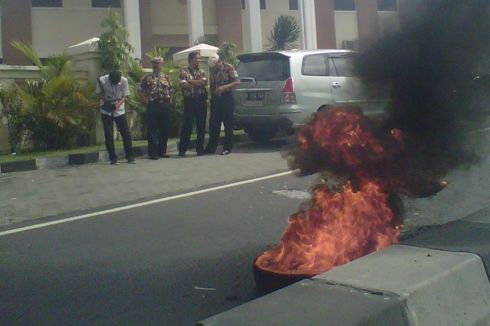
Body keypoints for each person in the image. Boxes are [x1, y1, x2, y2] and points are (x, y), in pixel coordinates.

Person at [96, 70, 135, 165]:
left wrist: (118, 104)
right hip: (106, 110)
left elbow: (125, 96)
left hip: (119, 109)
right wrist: (106, 100)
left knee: (126, 133)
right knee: (109, 134)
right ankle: (113, 158)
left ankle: (130, 156)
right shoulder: (102, 81)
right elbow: (98, 93)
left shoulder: (124, 81)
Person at [139, 57, 175, 160]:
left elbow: (171, 90)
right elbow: (140, 90)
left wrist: (170, 100)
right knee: (153, 129)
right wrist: (145, 100)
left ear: (161, 64)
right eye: (154, 63)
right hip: (153, 105)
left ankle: (162, 151)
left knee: (165, 129)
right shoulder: (147, 77)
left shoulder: (166, 77)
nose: (156, 65)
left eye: (158, 63)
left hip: (164, 105)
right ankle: (153, 153)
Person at [204, 54, 240, 155]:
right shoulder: (212, 70)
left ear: (219, 62)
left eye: (215, 66)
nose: (214, 68)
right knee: (214, 124)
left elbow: (237, 82)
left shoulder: (229, 68)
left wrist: (224, 87)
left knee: (228, 124)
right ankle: (211, 147)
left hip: (226, 98)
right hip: (215, 99)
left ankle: (227, 147)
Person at [178, 51, 208, 156]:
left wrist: (190, 82)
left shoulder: (202, 71)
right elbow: (183, 85)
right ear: (191, 59)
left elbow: (203, 83)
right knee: (187, 125)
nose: (198, 60)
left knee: (201, 125)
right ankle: (182, 149)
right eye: (197, 58)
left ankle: (200, 149)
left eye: (199, 59)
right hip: (189, 100)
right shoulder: (184, 71)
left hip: (200, 100)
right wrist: (197, 83)